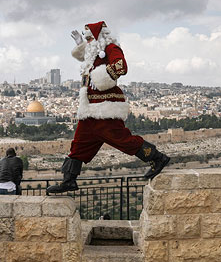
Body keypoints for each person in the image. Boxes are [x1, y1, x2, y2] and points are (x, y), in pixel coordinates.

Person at [47, 21, 170, 194]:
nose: (88, 41)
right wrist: (80, 45)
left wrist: (101, 78)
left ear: (99, 36)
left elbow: (121, 65)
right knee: (79, 145)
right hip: (90, 108)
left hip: (104, 107)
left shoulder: (111, 47)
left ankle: (158, 158)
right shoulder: (95, 52)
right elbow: (89, 56)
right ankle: (69, 180)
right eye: (86, 38)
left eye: (90, 38)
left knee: (122, 139)